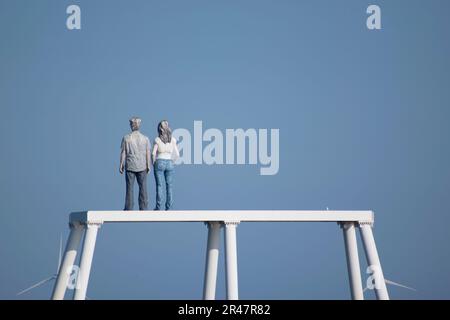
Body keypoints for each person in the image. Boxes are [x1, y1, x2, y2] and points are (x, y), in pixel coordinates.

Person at [120, 117, 151, 210]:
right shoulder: (145, 138)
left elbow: (123, 152)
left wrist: (121, 164)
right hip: (142, 165)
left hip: (130, 165)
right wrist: (148, 165)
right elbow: (147, 153)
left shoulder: (126, 138)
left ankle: (128, 208)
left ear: (131, 126)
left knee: (129, 188)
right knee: (143, 187)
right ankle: (144, 207)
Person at [152, 120, 179, 210]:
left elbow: (153, 153)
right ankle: (168, 208)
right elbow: (177, 154)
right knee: (169, 186)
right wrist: (172, 162)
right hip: (169, 162)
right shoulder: (173, 140)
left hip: (159, 161)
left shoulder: (157, 139)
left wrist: (154, 162)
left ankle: (158, 207)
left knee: (159, 185)